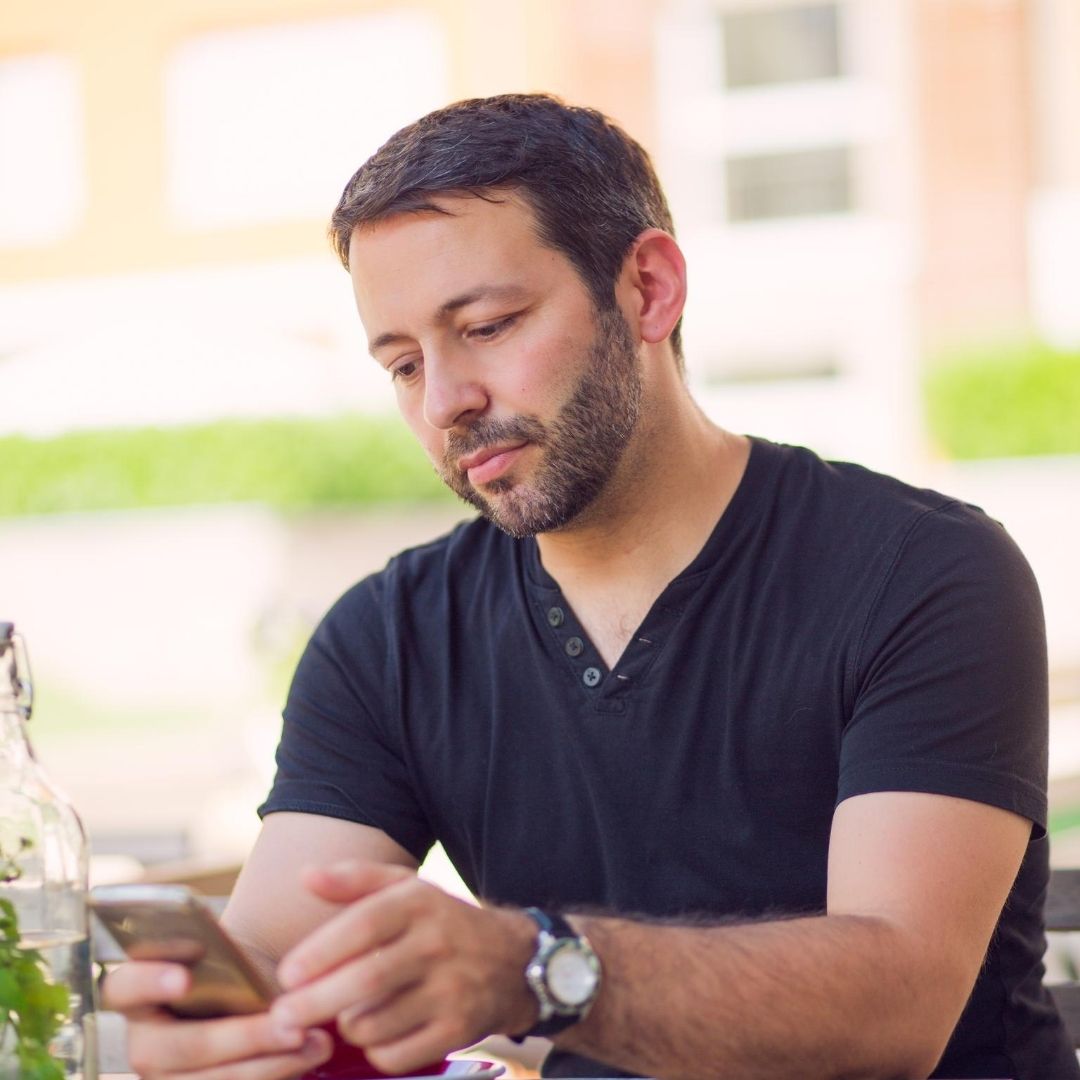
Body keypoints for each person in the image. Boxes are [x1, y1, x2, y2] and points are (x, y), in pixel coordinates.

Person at [105, 93, 1076, 1079]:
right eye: (402, 365)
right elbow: (277, 961)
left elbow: (897, 1010)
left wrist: (537, 970)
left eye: (485, 325)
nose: (446, 402)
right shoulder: (389, 639)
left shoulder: (922, 572)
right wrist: (218, 1024)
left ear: (649, 289)